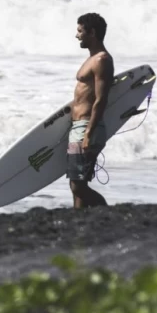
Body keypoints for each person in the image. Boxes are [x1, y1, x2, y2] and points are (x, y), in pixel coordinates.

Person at [68, 13, 114, 208]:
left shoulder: (101, 60)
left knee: (77, 185)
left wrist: (89, 133)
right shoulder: (93, 59)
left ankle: (106, 213)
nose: (77, 36)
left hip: (86, 127)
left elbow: (101, 99)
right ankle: (78, 220)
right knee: (78, 182)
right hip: (79, 126)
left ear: (92, 32)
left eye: (80, 31)